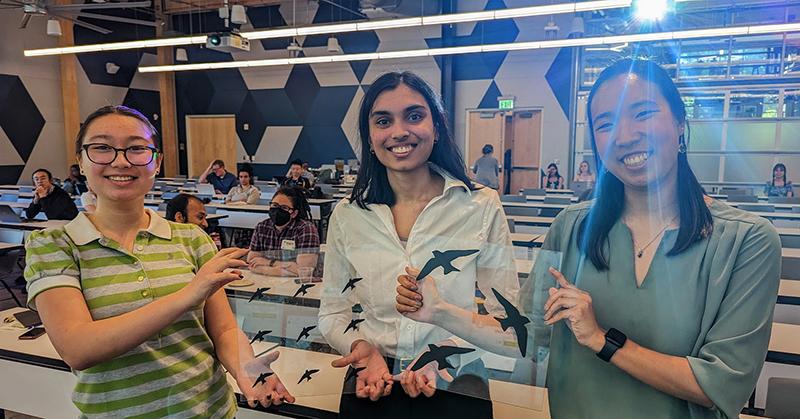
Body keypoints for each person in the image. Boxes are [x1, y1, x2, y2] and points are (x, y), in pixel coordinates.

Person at [539, 59, 778, 418]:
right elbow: (526, 334)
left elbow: (718, 384)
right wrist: (440, 314)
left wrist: (602, 340)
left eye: (643, 113)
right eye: (606, 124)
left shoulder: (747, 241)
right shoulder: (570, 226)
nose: (624, 136)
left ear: (680, 122)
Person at [24, 105, 294, 418]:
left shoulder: (191, 239)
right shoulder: (54, 245)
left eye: (137, 148)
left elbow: (223, 331)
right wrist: (188, 295)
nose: (121, 160)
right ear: (81, 162)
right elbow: (78, 348)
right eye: (102, 148)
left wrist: (246, 368)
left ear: (157, 161)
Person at [318, 71, 519, 419]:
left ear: (436, 127)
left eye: (414, 116)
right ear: (369, 135)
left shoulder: (480, 205)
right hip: (372, 378)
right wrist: (361, 347)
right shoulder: (349, 215)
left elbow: (508, 319)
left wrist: (445, 350)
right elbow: (333, 312)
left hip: (455, 376)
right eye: (383, 120)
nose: (399, 132)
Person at [247, 186, 320, 277]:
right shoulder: (261, 227)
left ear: (294, 213)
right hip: (265, 282)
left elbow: (304, 271)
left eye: (284, 208)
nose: (277, 210)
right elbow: (251, 262)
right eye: (274, 205)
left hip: (295, 286)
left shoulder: (306, 229)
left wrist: (268, 263)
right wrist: (287, 268)